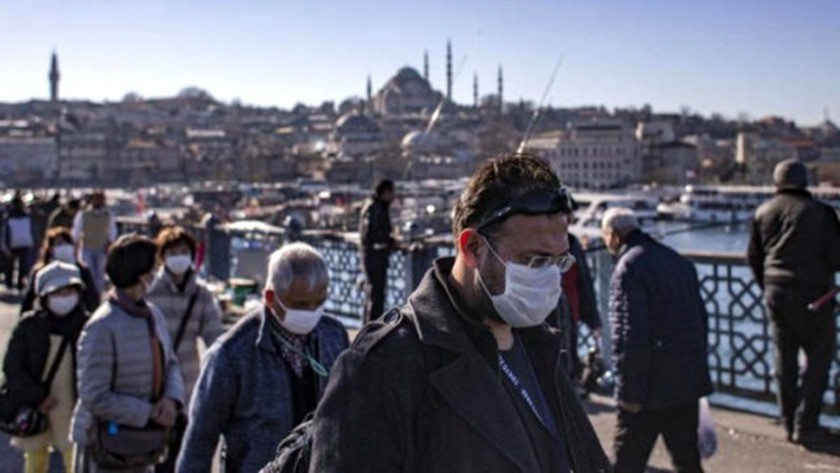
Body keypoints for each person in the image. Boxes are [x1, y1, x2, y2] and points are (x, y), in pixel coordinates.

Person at [307, 155, 610, 472]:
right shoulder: (383, 368)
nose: (549, 277)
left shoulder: (539, 344)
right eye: (534, 261)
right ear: (472, 248)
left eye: (559, 262)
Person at [177, 243, 349, 473]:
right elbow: (198, 446)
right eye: (301, 305)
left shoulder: (334, 336)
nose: (312, 313)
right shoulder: (231, 356)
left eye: (319, 303)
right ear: (270, 297)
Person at [601, 207, 712, 473]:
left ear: (614, 236)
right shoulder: (677, 260)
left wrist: (628, 392)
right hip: (686, 383)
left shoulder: (627, 268)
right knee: (688, 461)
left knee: (626, 463)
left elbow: (629, 335)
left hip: (648, 389)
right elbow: (700, 321)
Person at [70, 234, 184, 473]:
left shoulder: (153, 314)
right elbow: (94, 395)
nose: (157, 272)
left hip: (144, 445)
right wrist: (149, 412)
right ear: (142, 276)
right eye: (153, 268)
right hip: (107, 446)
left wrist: (172, 400)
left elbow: (170, 363)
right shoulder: (102, 326)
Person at [747, 159, 840, 446]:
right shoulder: (821, 213)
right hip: (814, 294)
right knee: (818, 359)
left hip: (775, 292)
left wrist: (768, 286)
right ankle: (806, 422)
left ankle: (788, 423)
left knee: (783, 360)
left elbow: (754, 256)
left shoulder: (763, 211)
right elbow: (836, 257)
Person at [146, 226, 224, 473]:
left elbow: (215, 337)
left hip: (188, 387)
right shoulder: (150, 292)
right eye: (172, 251)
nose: (179, 256)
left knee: (184, 456)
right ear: (162, 257)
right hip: (153, 387)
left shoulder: (200, 294)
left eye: (183, 251)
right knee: (154, 456)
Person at [4, 262, 89, 473]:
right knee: (35, 463)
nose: (64, 297)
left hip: (73, 406)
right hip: (37, 407)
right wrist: (37, 397)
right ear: (43, 295)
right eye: (58, 292)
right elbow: (12, 368)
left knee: (75, 462)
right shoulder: (28, 326)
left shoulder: (88, 325)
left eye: (70, 291)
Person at [20, 227, 100, 315]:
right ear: (50, 248)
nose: (63, 247)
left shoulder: (82, 271)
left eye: (67, 243)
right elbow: (28, 300)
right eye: (59, 244)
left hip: (76, 318)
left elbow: (92, 299)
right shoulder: (40, 272)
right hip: (46, 319)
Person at [359, 179, 397, 323]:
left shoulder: (371, 206)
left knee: (371, 294)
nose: (394, 196)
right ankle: (372, 330)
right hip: (376, 258)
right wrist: (390, 241)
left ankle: (367, 326)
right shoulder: (377, 208)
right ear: (385, 192)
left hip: (370, 256)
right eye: (392, 192)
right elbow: (375, 233)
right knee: (376, 296)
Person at [72, 190, 117, 294]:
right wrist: (75, 243)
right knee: (89, 272)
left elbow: (112, 230)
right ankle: (89, 294)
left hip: (102, 248)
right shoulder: (83, 214)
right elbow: (76, 230)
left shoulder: (108, 215)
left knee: (100, 274)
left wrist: (110, 242)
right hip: (87, 247)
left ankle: (97, 295)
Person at [3, 195, 35, 292]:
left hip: (11, 243)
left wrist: (5, 246)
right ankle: (20, 284)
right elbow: (32, 229)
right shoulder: (27, 215)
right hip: (25, 242)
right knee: (22, 264)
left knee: (10, 265)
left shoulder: (8, 215)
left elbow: (5, 232)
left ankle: (9, 283)